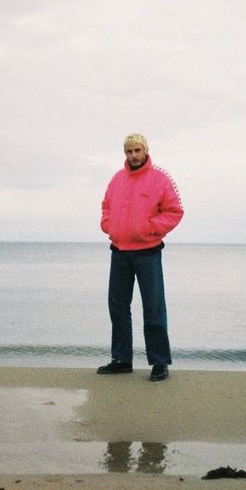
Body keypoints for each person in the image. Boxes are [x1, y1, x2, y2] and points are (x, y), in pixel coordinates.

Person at [98, 133, 184, 381]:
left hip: (148, 252)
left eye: (137, 150)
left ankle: (159, 362)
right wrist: (108, 225)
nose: (133, 155)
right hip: (119, 251)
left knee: (153, 306)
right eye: (129, 151)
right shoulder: (117, 179)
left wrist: (150, 228)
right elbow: (106, 206)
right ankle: (122, 360)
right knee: (117, 307)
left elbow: (175, 211)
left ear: (145, 150)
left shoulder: (160, 178)